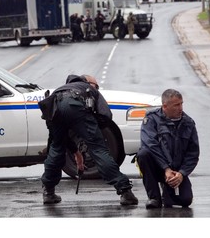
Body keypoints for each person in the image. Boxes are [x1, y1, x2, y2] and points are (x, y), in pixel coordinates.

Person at [38, 74, 138, 206]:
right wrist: (93, 130)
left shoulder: (59, 91)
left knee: (56, 148)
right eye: (96, 86)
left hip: (54, 109)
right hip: (76, 107)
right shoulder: (87, 89)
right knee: (98, 149)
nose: (97, 88)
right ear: (88, 82)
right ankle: (125, 191)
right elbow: (106, 115)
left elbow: (61, 138)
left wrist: (76, 152)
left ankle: (48, 192)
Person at [136, 89, 200, 209]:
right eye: (176, 105)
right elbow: (150, 145)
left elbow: (193, 153)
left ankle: (167, 190)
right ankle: (154, 197)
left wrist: (181, 173)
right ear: (165, 106)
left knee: (185, 200)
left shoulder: (188, 123)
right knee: (143, 154)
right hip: (158, 167)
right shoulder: (151, 119)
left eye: (181, 104)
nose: (180, 108)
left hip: (176, 171)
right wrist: (166, 168)